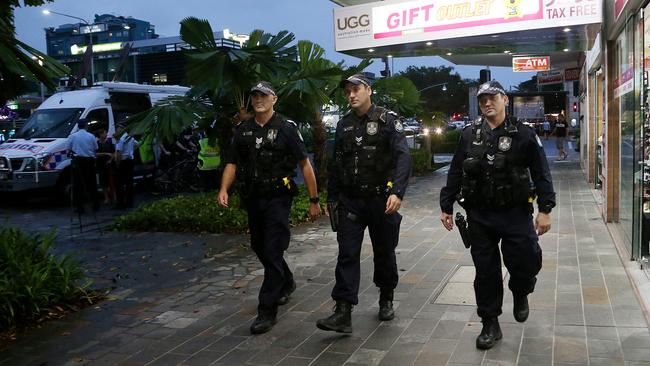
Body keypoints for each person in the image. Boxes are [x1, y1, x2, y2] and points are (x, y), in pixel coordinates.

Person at [439, 80, 556, 350]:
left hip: (515, 214)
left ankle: (521, 290)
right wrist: (446, 205)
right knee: (485, 272)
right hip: (480, 215)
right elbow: (456, 170)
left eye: (492, 98)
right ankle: (489, 323)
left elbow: (541, 173)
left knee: (525, 262)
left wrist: (545, 210)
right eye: (482, 100)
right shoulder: (470, 134)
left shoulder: (523, 134)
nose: (487, 103)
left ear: (504, 99)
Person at [217, 81, 320, 335]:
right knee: (259, 247)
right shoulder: (244, 129)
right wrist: (223, 189)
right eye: (255, 96)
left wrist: (314, 199)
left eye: (263, 95)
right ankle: (286, 280)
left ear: (274, 99)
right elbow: (231, 163)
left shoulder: (286, 128)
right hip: (253, 198)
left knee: (272, 249)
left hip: (278, 199)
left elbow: (304, 164)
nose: (258, 99)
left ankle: (267, 310)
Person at [316, 74, 412, 334]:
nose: (351, 95)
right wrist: (332, 197)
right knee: (347, 253)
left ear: (368, 90)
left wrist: (398, 192)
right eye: (348, 91)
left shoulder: (387, 120)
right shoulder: (344, 124)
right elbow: (336, 164)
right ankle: (343, 311)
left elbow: (403, 157)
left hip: (382, 200)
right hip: (351, 201)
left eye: (356, 89)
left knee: (384, 251)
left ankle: (386, 297)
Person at [67, 118, 99, 213]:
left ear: (78, 126)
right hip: (89, 161)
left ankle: (80, 207)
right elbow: (95, 148)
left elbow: (68, 149)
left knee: (78, 185)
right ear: (86, 125)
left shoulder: (72, 136)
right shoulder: (91, 136)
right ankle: (95, 205)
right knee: (92, 184)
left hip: (78, 161)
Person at [114, 124, 139, 209]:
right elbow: (138, 144)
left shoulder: (120, 139)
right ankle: (129, 203)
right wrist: (131, 152)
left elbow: (119, 153)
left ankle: (120, 203)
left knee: (119, 184)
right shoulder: (129, 137)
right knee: (129, 183)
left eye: (118, 128)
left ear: (122, 129)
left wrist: (117, 163)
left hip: (123, 162)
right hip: (130, 161)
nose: (117, 130)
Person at [95, 129, 116, 204]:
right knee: (103, 183)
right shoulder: (97, 144)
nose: (106, 135)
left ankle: (114, 197)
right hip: (101, 165)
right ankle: (106, 198)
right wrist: (106, 154)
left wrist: (111, 159)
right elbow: (95, 154)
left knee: (112, 181)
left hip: (109, 165)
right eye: (104, 133)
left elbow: (114, 153)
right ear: (100, 134)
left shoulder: (109, 143)